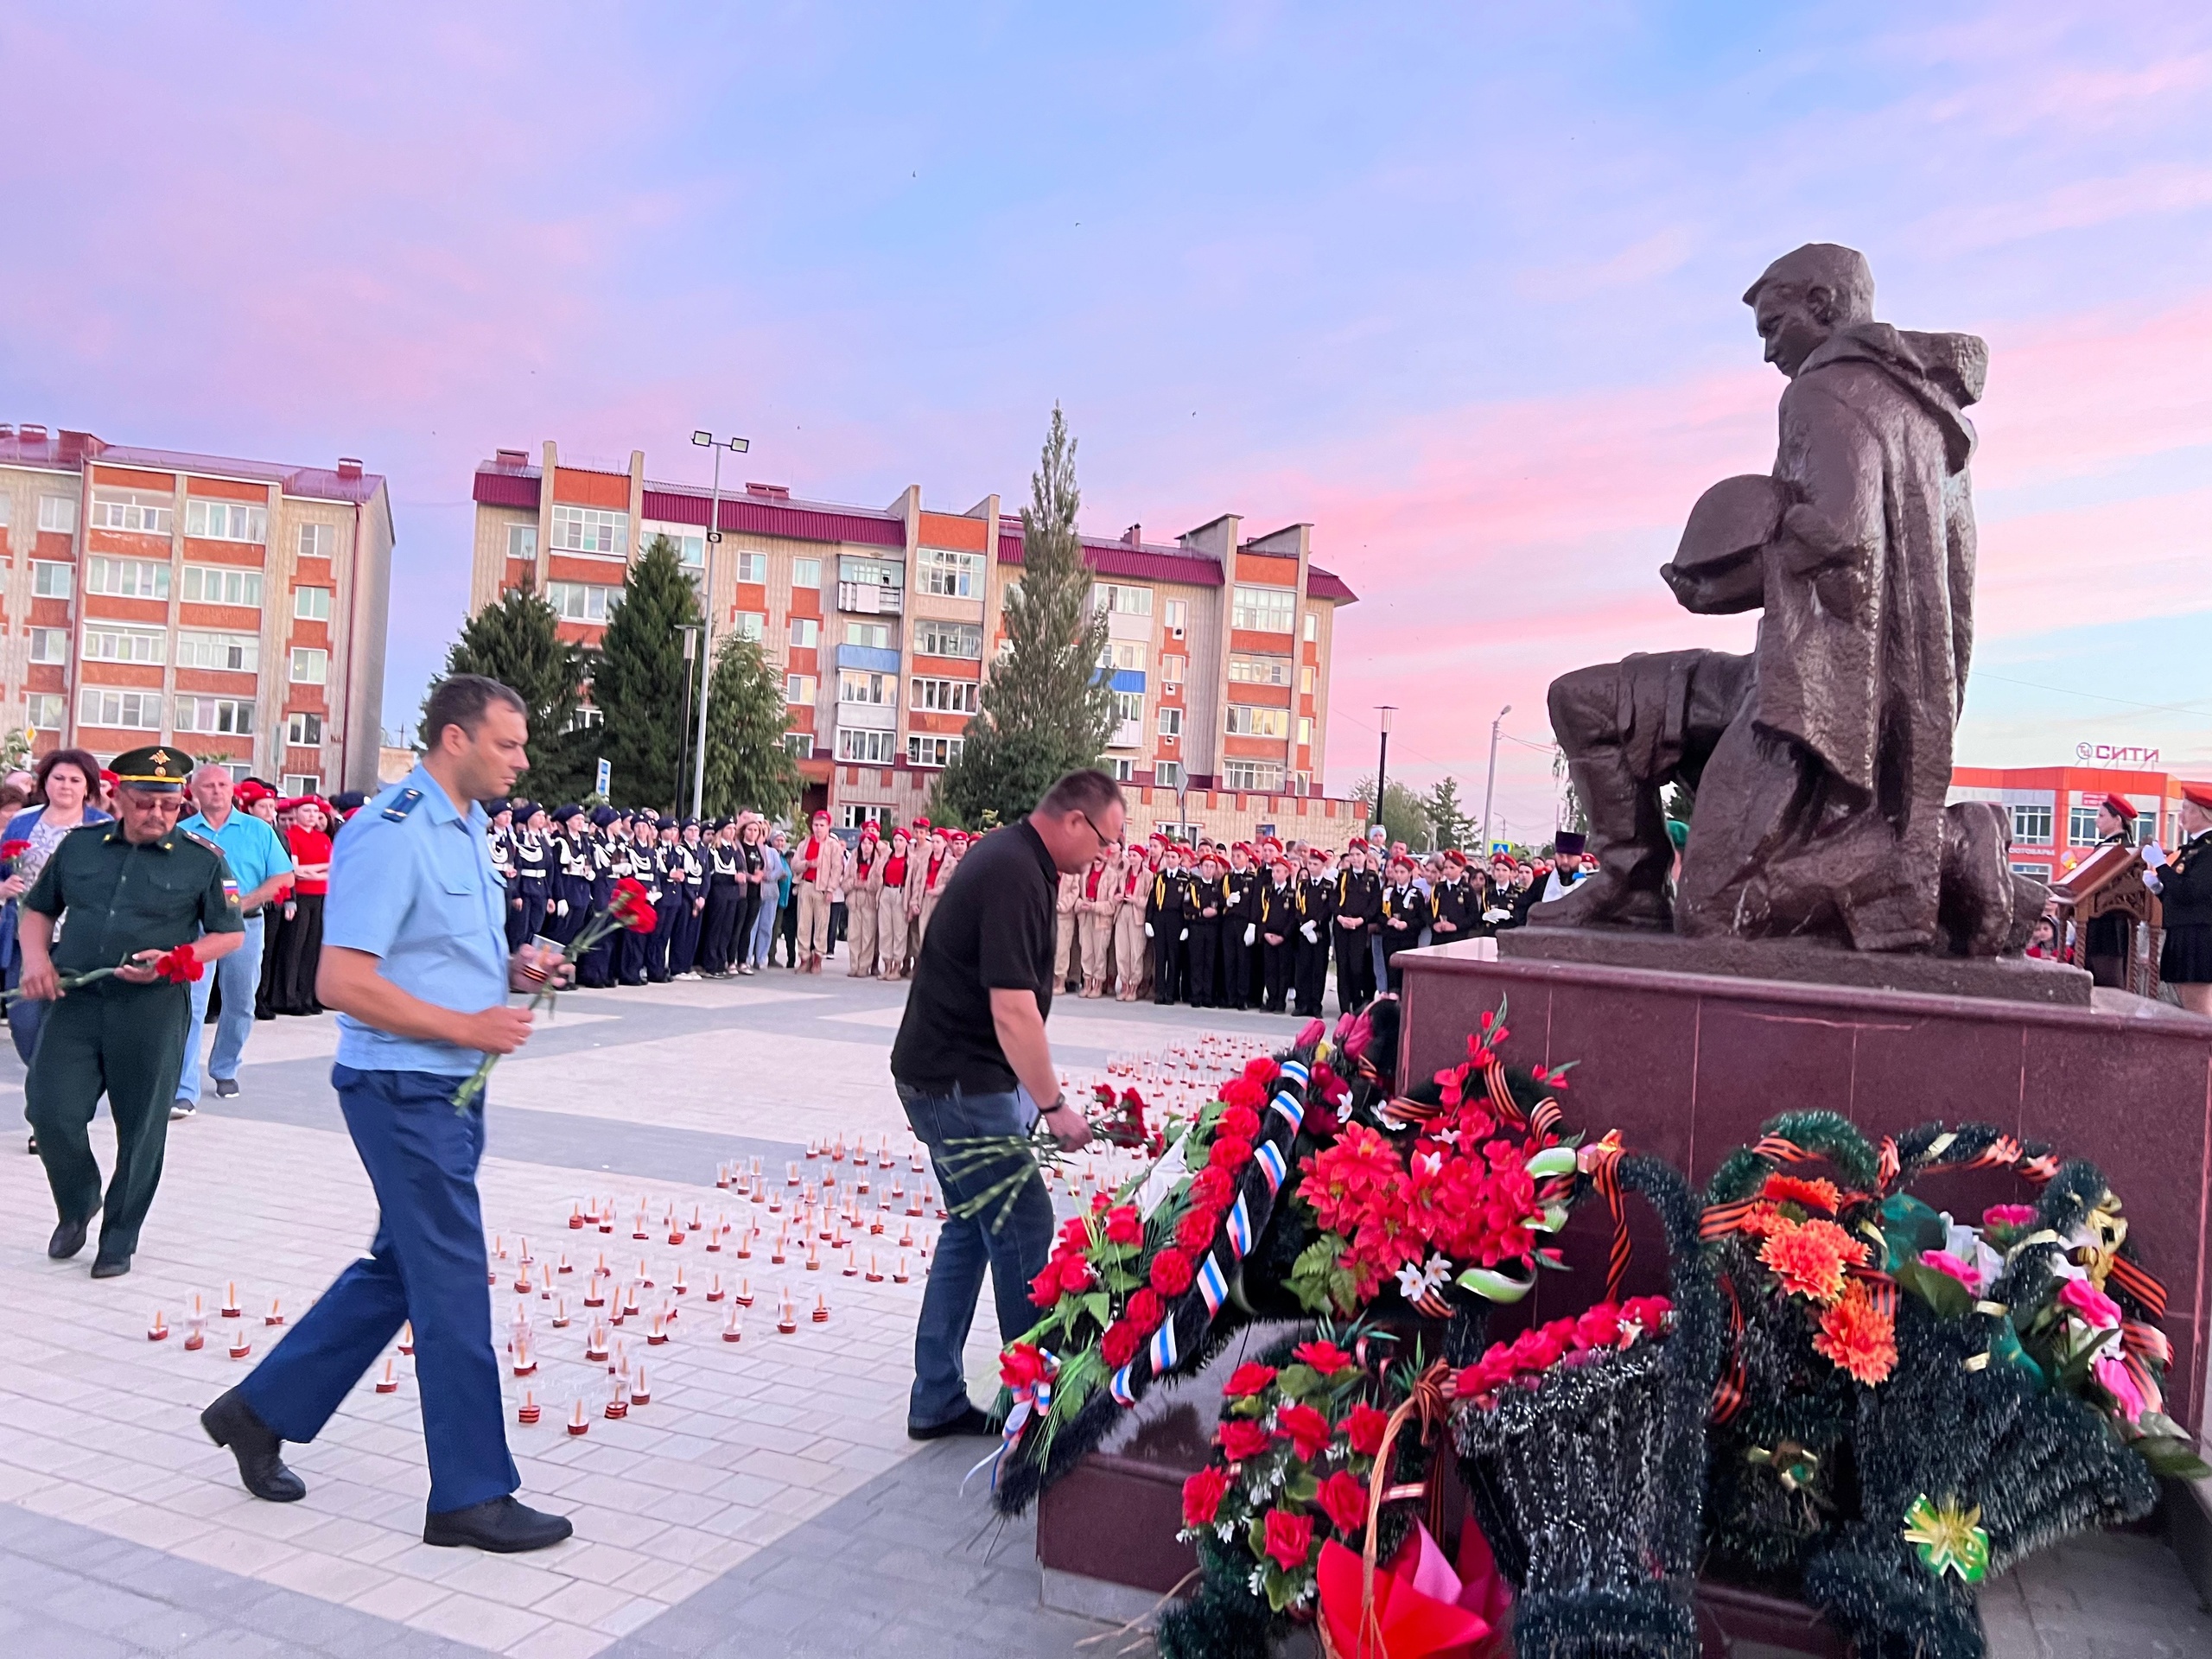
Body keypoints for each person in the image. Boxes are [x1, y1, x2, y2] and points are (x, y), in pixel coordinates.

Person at [202, 675, 574, 1553]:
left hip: (448, 1083)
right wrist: (467, 1023)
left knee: (399, 1270)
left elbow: (427, 958)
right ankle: (470, 1495)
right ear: (453, 739)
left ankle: (257, 1412)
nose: (521, 761)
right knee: (449, 1286)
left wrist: (515, 975)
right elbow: (343, 982)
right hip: (404, 1088)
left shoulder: (467, 828)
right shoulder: (391, 830)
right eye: (507, 744)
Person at [887, 771, 1118, 1439]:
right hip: (959, 1086)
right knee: (1021, 1225)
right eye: (1104, 841)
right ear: (1074, 821)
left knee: (970, 1224)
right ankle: (1038, 1409)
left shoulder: (1020, 860)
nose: (1103, 856)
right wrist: (1052, 1106)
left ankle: (936, 1396)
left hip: (948, 1078)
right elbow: (1014, 1010)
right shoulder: (1016, 870)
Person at [20, 746, 245, 1276]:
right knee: (49, 1110)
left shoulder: (202, 858)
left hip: (151, 1010)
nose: (157, 815)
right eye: (144, 803)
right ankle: (78, 1203)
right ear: (117, 797)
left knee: (141, 1128)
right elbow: (38, 909)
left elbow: (229, 933)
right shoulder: (79, 848)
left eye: (168, 805)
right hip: (75, 1002)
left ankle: (119, 1237)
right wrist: (35, 960)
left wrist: (178, 960)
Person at [173, 766, 296, 1121]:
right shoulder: (182, 832)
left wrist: (245, 902)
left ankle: (225, 1067)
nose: (216, 791)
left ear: (233, 790)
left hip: (246, 925)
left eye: (223, 785)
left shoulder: (258, 830)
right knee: (192, 1006)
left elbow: (284, 875)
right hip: (199, 930)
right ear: (193, 793)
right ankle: (184, 1089)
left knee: (241, 1002)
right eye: (208, 786)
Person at [2, 748, 111, 1077]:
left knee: (67, 1022)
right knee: (23, 1019)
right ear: (44, 782)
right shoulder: (23, 821)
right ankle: (46, 1082)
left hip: (79, 938)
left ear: (88, 786)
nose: (66, 786)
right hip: (27, 935)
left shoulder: (102, 827)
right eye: (58, 778)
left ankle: (48, 1103)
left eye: (75, 780)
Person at [2144, 785, 2212, 1017]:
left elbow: (2192, 892)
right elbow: (2181, 896)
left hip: (2200, 934)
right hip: (2185, 929)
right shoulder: (2194, 848)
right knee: (2189, 1004)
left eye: (2187, 809)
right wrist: (2160, 889)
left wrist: (2162, 865)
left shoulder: (2208, 850)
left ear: (2204, 813)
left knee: (2198, 1008)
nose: (2181, 815)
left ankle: (2205, 1053)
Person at [272, 798, 333, 1015]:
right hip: (302, 895)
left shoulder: (323, 837)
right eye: (306, 810)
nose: (311, 815)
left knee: (312, 949)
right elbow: (295, 870)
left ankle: (306, 996)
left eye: (315, 811)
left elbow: (334, 867)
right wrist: (318, 870)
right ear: (297, 813)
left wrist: (312, 871)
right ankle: (287, 998)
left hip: (320, 895)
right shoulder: (292, 836)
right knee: (294, 948)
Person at [2083, 796, 2138, 989]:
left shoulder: (2123, 849)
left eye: (2101, 815)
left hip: (2110, 926)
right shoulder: (2107, 846)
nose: (2096, 819)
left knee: (2110, 984)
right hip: (2095, 920)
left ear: (2117, 820)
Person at [793, 810, 845, 973]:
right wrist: (807, 864)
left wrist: (831, 889)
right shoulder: (805, 843)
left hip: (822, 888)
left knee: (822, 925)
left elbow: (837, 869)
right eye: (815, 825)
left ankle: (818, 958)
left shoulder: (833, 845)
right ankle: (804, 958)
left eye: (822, 825)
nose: (818, 828)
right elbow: (795, 863)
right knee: (803, 924)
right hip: (806, 885)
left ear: (828, 827)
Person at [1333, 842, 1382, 1014]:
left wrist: (1361, 920)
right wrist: (1339, 917)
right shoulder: (1343, 875)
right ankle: (1344, 1009)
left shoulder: (1372, 878)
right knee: (1343, 966)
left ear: (1365, 856)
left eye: (1358, 855)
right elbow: (1336, 898)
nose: (1354, 859)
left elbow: (1375, 903)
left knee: (1356, 967)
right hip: (1342, 924)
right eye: (1352, 855)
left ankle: (1357, 1002)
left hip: (1359, 926)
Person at [1378, 854, 1432, 994]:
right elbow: (1378, 915)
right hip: (1390, 938)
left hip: (1408, 939)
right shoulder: (1388, 893)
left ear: (1410, 874)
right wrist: (1388, 921)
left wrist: (1407, 924)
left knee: (1405, 975)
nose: (1399, 875)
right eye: (1396, 872)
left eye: (1402, 872)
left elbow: (1421, 919)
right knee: (1391, 973)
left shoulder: (1416, 895)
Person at [1295, 848, 1337, 1016]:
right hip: (1304, 931)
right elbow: (1297, 907)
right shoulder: (1302, 886)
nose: (1311, 867)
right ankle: (1302, 1003)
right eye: (1310, 863)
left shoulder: (1329, 886)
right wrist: (1304, 923)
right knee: (1303, 968)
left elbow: (1329, 908)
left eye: (1315, 864)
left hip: (1320, 931)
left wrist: (1315, 922)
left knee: (1318, 969)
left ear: (1323, 865)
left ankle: (1315, 1004)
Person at [1147, 842, 1191, 1005]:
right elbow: (1152, 900)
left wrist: (1186, 925)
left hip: (1176, 920)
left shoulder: (1185, 879)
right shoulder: (1159, 877)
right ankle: (1159, 992)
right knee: (1160, 957)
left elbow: (1187, 904)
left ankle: (1170, 993)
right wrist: (1148, 920)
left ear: (1180, 859)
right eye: (1168, 857)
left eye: (1174, 857)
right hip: (1160, 918)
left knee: (1173, 957)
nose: (1170, 860)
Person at [1110, 840, 1151, 1001]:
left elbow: (1150, 899)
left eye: (1135, 856)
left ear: (1142, 857)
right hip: (1122, 911)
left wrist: (1136, 899)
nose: (1132, 859)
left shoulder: (1148, 875)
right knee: (1122, 950)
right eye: (1130, 855)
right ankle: (1125, 984)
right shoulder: (1123, 874)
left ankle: (1134, 985)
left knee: (1136, 951)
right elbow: (1113, 893)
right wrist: (1117, 897)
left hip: (1137, 913)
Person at [1075, 842, 1116, 998]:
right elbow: (1077, 894)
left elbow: (1112, 904)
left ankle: (1098, 984)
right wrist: (1081, 904)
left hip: (1101, 916)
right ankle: (1087, 982)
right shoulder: (1084, 871)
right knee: (1086, 950)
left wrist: (1094, 906)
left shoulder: (1111, 875)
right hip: (1085, 915)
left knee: (1099, 952)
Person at [1258, 855, 1298, 1012]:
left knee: (1283, 970)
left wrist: (1284, 936)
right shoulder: (1266, 891)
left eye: (1279, 871)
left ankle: (1280, 1001)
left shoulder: (1292, 894)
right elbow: (1260, 912)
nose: (1275, 874)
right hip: (1268, 935)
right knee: (1270, 970)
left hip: (1284, 938)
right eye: (1274, 871)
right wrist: (1265, 933)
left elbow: (1293, 918)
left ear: (1287, 873)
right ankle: (1272, 998)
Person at [876, 827, 913, 981]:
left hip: (900, 893)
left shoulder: (911, 859)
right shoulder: (887, 856)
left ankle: (897, 966)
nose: (898, 843)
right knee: (885, 930)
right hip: (886, 891)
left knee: (899, 931)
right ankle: (887, 965)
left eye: (901, 840)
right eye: (896, 840)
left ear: (906, 843)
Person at [847, 823, 883, 977]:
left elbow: (878, 882)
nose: (866, 846)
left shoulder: (879, 861)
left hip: (869, 899)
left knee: (868, 935)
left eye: (870, 843)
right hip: (855, 899)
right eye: (864, 843)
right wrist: (853, 883)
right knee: (854, 934)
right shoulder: (854, 859)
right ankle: (854, 965)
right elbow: (845, 879)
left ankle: (864, 966)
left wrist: (866, 884)